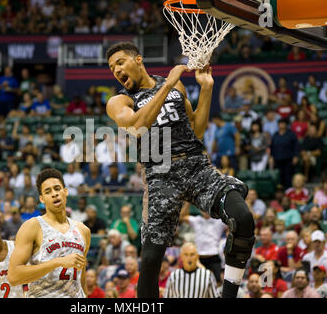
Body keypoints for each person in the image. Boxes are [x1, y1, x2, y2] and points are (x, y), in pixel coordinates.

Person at [106, 42, 255, 298]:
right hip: (160, 174)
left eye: (120, 62)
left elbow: (196, 130)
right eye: (112, 68)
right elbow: (137, 127)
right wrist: (165, 87)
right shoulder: (120, 100)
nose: (116, 70)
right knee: (151, 258)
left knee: (242, 218)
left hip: (197, 165)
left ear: (138, 59)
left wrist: (207, 89)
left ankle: (229, 295)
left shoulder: (175, 85)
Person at [8, 168, 91, 298]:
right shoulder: (32, 226)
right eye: (48, 192)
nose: (54, 194)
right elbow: (13, 276)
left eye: (57, 189)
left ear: (65, 191)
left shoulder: (83, 230)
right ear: (42, 199)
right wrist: (57, 262)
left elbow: (82, 278)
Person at [180, 207, 227, 284]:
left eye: (207, 209)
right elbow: (182, 217)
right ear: (200, 210)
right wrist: (187, 204)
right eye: (203, 209)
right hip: (198, 258)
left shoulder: (219, 221)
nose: (205, 211)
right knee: (195, 282)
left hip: (213, 257)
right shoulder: (196, 220)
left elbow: (232, 223)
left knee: (218, 283)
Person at [269, 118, 300, 188]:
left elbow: (296, 146)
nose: (281, 125)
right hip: (277, 159)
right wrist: (271, 157)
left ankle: (289, 189)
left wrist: (296, 156)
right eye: (280, 123)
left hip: (288, 159)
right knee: (279, 176)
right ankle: (281, 190)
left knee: (288, 176)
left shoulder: (291, 134)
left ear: (286, 125)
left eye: (283, 123)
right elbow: (272, 147)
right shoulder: (275, 135)